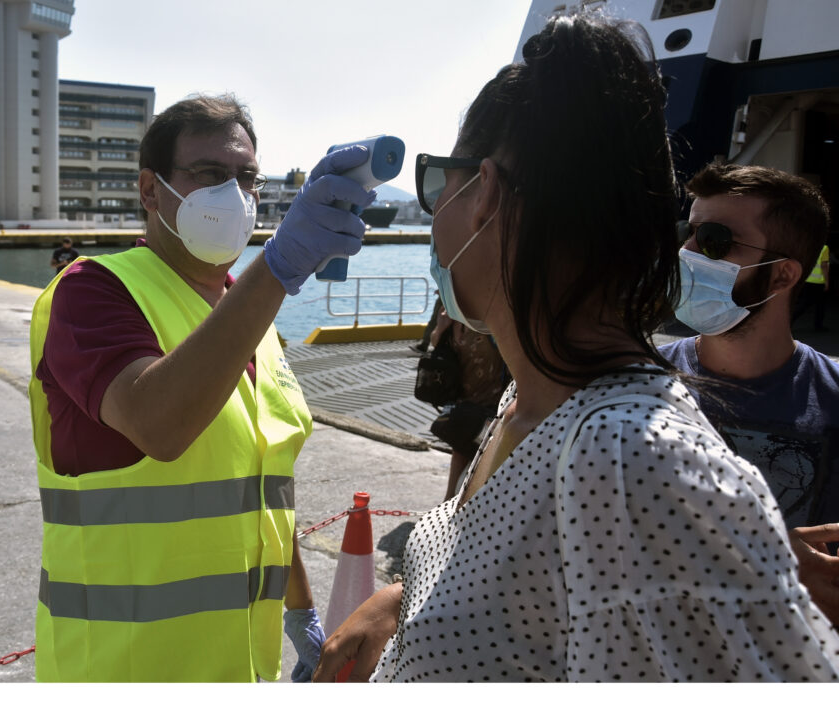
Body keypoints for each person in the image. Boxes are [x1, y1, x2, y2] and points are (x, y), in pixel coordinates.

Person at [313, 13, 839, 682]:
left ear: (485, 195)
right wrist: (405, 600)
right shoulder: (531, 401)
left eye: (437, 179)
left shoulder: (628, 458)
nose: (434, 212)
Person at [28, 94, 375, 682]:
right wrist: (278, 268)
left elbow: (261, 489)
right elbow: (160, 424)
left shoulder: (252, 321)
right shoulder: (92, 292)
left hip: (241, 665)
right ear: (150, 190)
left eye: (247, 178)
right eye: (211, 175)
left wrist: (301, 612)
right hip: (121, 670)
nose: (234, 194)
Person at [659, 164, 839, 628]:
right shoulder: (639, 381)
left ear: (782, 276)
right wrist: (768, 566)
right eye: (689, 232)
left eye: (715, 240)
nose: (688, 252)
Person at [427, 307, 509, 500]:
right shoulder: (451, 314)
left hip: (493, 400)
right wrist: (441, 328)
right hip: (466, 398)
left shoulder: (492, 317)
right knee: (464, 448)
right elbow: (436, 342)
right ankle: (454, 502)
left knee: (472, 452)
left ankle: (454, 502)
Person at [791, 243, 830, 331]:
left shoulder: (809, 246)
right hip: (819, 281)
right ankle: (818, 325)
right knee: (819, 304)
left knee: (806, 303)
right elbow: (824, 266)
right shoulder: (824, 248)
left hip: (808, 279)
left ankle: (792, 319)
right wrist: (827, 281)